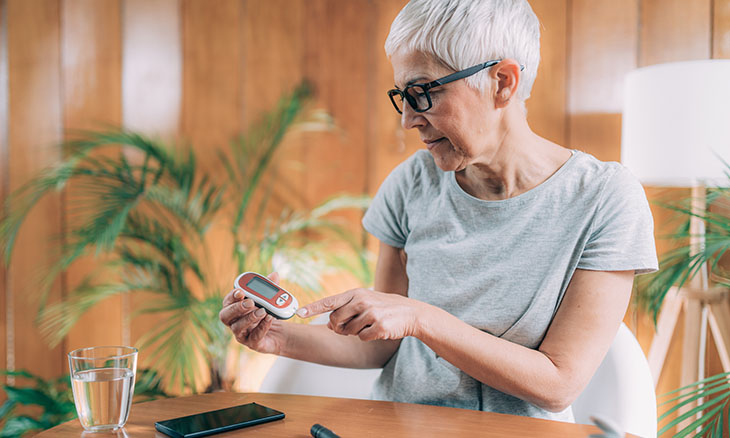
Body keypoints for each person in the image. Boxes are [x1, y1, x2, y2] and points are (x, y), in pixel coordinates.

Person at [219, 0, 657, 422]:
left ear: (503, 82)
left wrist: (419, 317)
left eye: (423, 92)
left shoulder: (604, 198)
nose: (407, 119)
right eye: (402, 96)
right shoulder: (412, 185)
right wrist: (278, 338)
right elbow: (380, 347)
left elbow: (558, 383)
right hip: (399, 427)